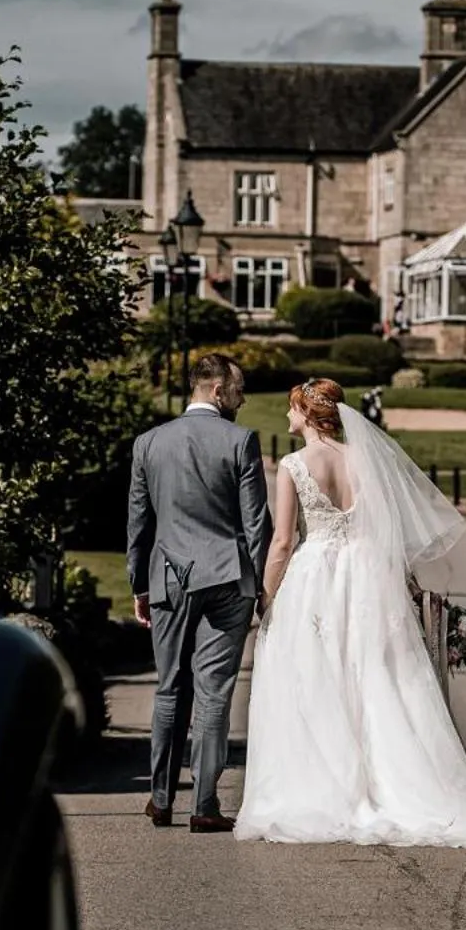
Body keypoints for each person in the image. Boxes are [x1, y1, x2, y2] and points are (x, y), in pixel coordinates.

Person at [234, 378, 466, 849]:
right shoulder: (364, 460)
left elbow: (283, 542)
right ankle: (395, 788)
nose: (287, 418)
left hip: (318, 576)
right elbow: (385, 530)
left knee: (315, 679)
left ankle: (323, 791)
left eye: (291, 409)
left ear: (306, 414)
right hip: (366, 574)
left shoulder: (292, 465)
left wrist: (267, 596)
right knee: (377, 679)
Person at [127, 353, 271, 833]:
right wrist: (261, 586)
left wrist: (139, 585)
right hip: (228, 581)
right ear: (215, 390)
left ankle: (161, 798)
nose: (242, 398)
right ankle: (204, 806)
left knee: (169, 688)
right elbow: (256, 525)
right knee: (213, 693)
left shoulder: (148, 443)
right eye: (238, 389)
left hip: (168, 579)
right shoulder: (241, 441)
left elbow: (139, 523)